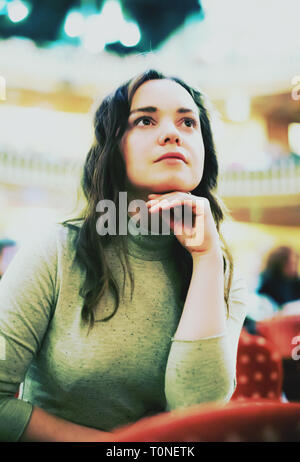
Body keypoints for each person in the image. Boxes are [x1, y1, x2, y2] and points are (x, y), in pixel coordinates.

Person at [0, 69, 247, 442]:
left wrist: (207, 259)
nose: (172, 133)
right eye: (145, 120)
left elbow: (196, 414)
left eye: (188, 122)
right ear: (113, 146)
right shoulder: (55, 251)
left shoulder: (223, 271)